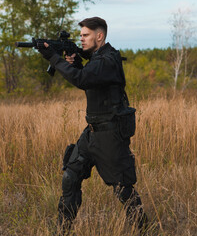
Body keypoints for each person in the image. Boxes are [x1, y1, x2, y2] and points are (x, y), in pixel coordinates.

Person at [38, 17, 148, 235]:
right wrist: (75, 61)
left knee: (122, 189)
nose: (82, 39)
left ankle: (146, 228)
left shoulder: (108, 59)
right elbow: (89, 79)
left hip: (110, 135)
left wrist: (54, 58)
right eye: (80, 36)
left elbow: (82, 80)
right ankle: (63, 230)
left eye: (86, 35)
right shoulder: (97, 58)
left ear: (100, 36)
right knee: (70, 176)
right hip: (91, 132)